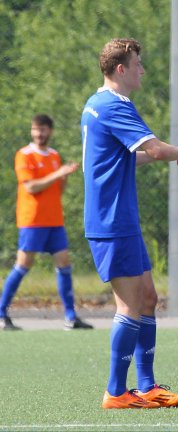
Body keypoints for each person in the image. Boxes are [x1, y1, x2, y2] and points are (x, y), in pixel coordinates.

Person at [81, 38, 178, 409]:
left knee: (148, 299)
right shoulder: (112, 103)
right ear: (121, 69)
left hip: (120, 218)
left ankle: (148, 386)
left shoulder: (98, 102)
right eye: (138, 64)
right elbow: (155, 149)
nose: (143, 70)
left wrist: (168, 156)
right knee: (129, 305)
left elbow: (128, 158)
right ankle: (117, 392)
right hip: (111, 219)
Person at [0, 114, 93, 331]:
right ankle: (2, 312)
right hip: (32, 220)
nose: (38, 134)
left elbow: (57, 190)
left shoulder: (54, 156)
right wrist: (57, 173)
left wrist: (64, 176)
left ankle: (71, 317)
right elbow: (31, 187)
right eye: (35, 130)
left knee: (64, 262)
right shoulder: (24, 155)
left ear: (50, 131)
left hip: (54, 220)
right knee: (24, 264)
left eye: (42, 130)